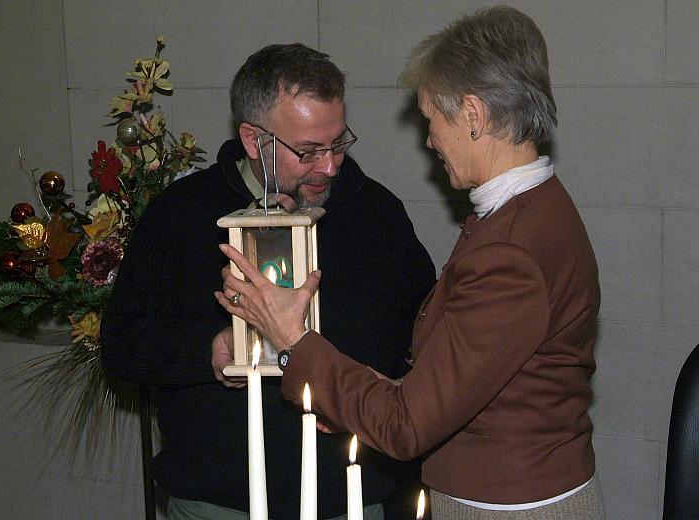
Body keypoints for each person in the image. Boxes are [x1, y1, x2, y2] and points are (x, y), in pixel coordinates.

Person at [218, 7, 604, 519]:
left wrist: (291, 338)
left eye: (431, 119)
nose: (428, 141)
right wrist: (361, 395)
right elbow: (470, 378)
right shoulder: (532, 209)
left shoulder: (512, 248)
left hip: (508, 506)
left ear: (472, 114)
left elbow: (406, 427)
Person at [101, 43, 436, 520]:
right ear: (253, 140)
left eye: (338, 143)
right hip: (218, 501)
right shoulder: (181, 214)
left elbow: (427, 339)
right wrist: (209, 347)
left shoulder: (376, 215)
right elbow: (123, 344)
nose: (329, 166)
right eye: (309, 150)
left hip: (348, 497)